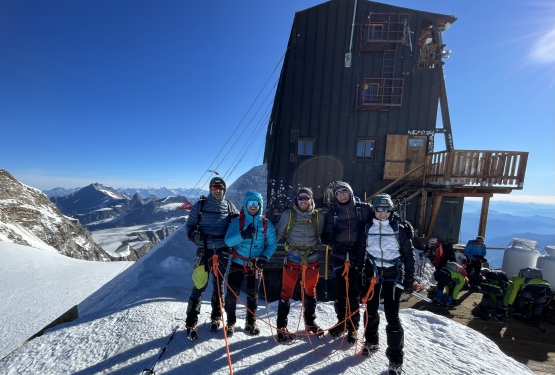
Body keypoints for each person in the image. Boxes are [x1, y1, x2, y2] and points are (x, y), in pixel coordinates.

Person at [357, 193, 415, 375]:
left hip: (393, 274)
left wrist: (409, 279)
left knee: (392, 316)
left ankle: (395, 360)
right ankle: (371, 342)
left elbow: (408, 255)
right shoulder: (367, 228)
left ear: (391, 210)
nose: (383, 213)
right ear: (374, 209)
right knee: (371, 310)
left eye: (387, 209)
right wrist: (359, 274)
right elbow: (360, 253)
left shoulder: (399, 229)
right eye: (379, 209)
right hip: (372, 273)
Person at [184, 177, 239, 340]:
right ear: (210, 189)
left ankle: (216, 317)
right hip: (203, 250)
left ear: (224, 190)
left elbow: (238, 223)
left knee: (219, 284)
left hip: (222, 250)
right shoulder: (200, 206)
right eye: (214, 187)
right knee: (200, 284)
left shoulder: (229, 206)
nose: (217, 189)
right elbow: (189, 227)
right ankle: (191, 321)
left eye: (220, 187)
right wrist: (194, 235)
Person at [321, 182, 371, 344]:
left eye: (344, 191)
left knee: (353, 293)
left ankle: (353, 327)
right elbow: (327, 232)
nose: (342, 195)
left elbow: (381, 215)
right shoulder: (332, 212)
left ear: (350, 192)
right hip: (339, 255)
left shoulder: (363, 209)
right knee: (340, 292)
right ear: (335, 197)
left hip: (357, 255)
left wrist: (399, 223)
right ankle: (341, 322)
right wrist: (329, 239)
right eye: (338, 193)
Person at [223, 191, 277, 337]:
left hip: (255, 263)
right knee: (231, 294)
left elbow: (272, 244)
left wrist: (264, 257)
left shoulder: (266, 224)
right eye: (250, 203)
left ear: (260, 205)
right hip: (238, 262)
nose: (253, 206)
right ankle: (230, 322)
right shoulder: (238, 222)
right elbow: (227, 241)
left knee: (253, 295)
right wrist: (243, 235)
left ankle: (250, 322)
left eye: (256, 203)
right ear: (245, 205)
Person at [274, 187, 325, 341]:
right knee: (287, 291)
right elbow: (278, 234)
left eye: (306, 198)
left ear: (311, 200)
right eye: (300, 198)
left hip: (311, 256)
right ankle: (281, 326)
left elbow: (324, 235)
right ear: (296, 200)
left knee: (311, 290)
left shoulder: (318, 216)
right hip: (292, 257)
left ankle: (310, 322)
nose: (303, 201)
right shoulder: (288, 214)